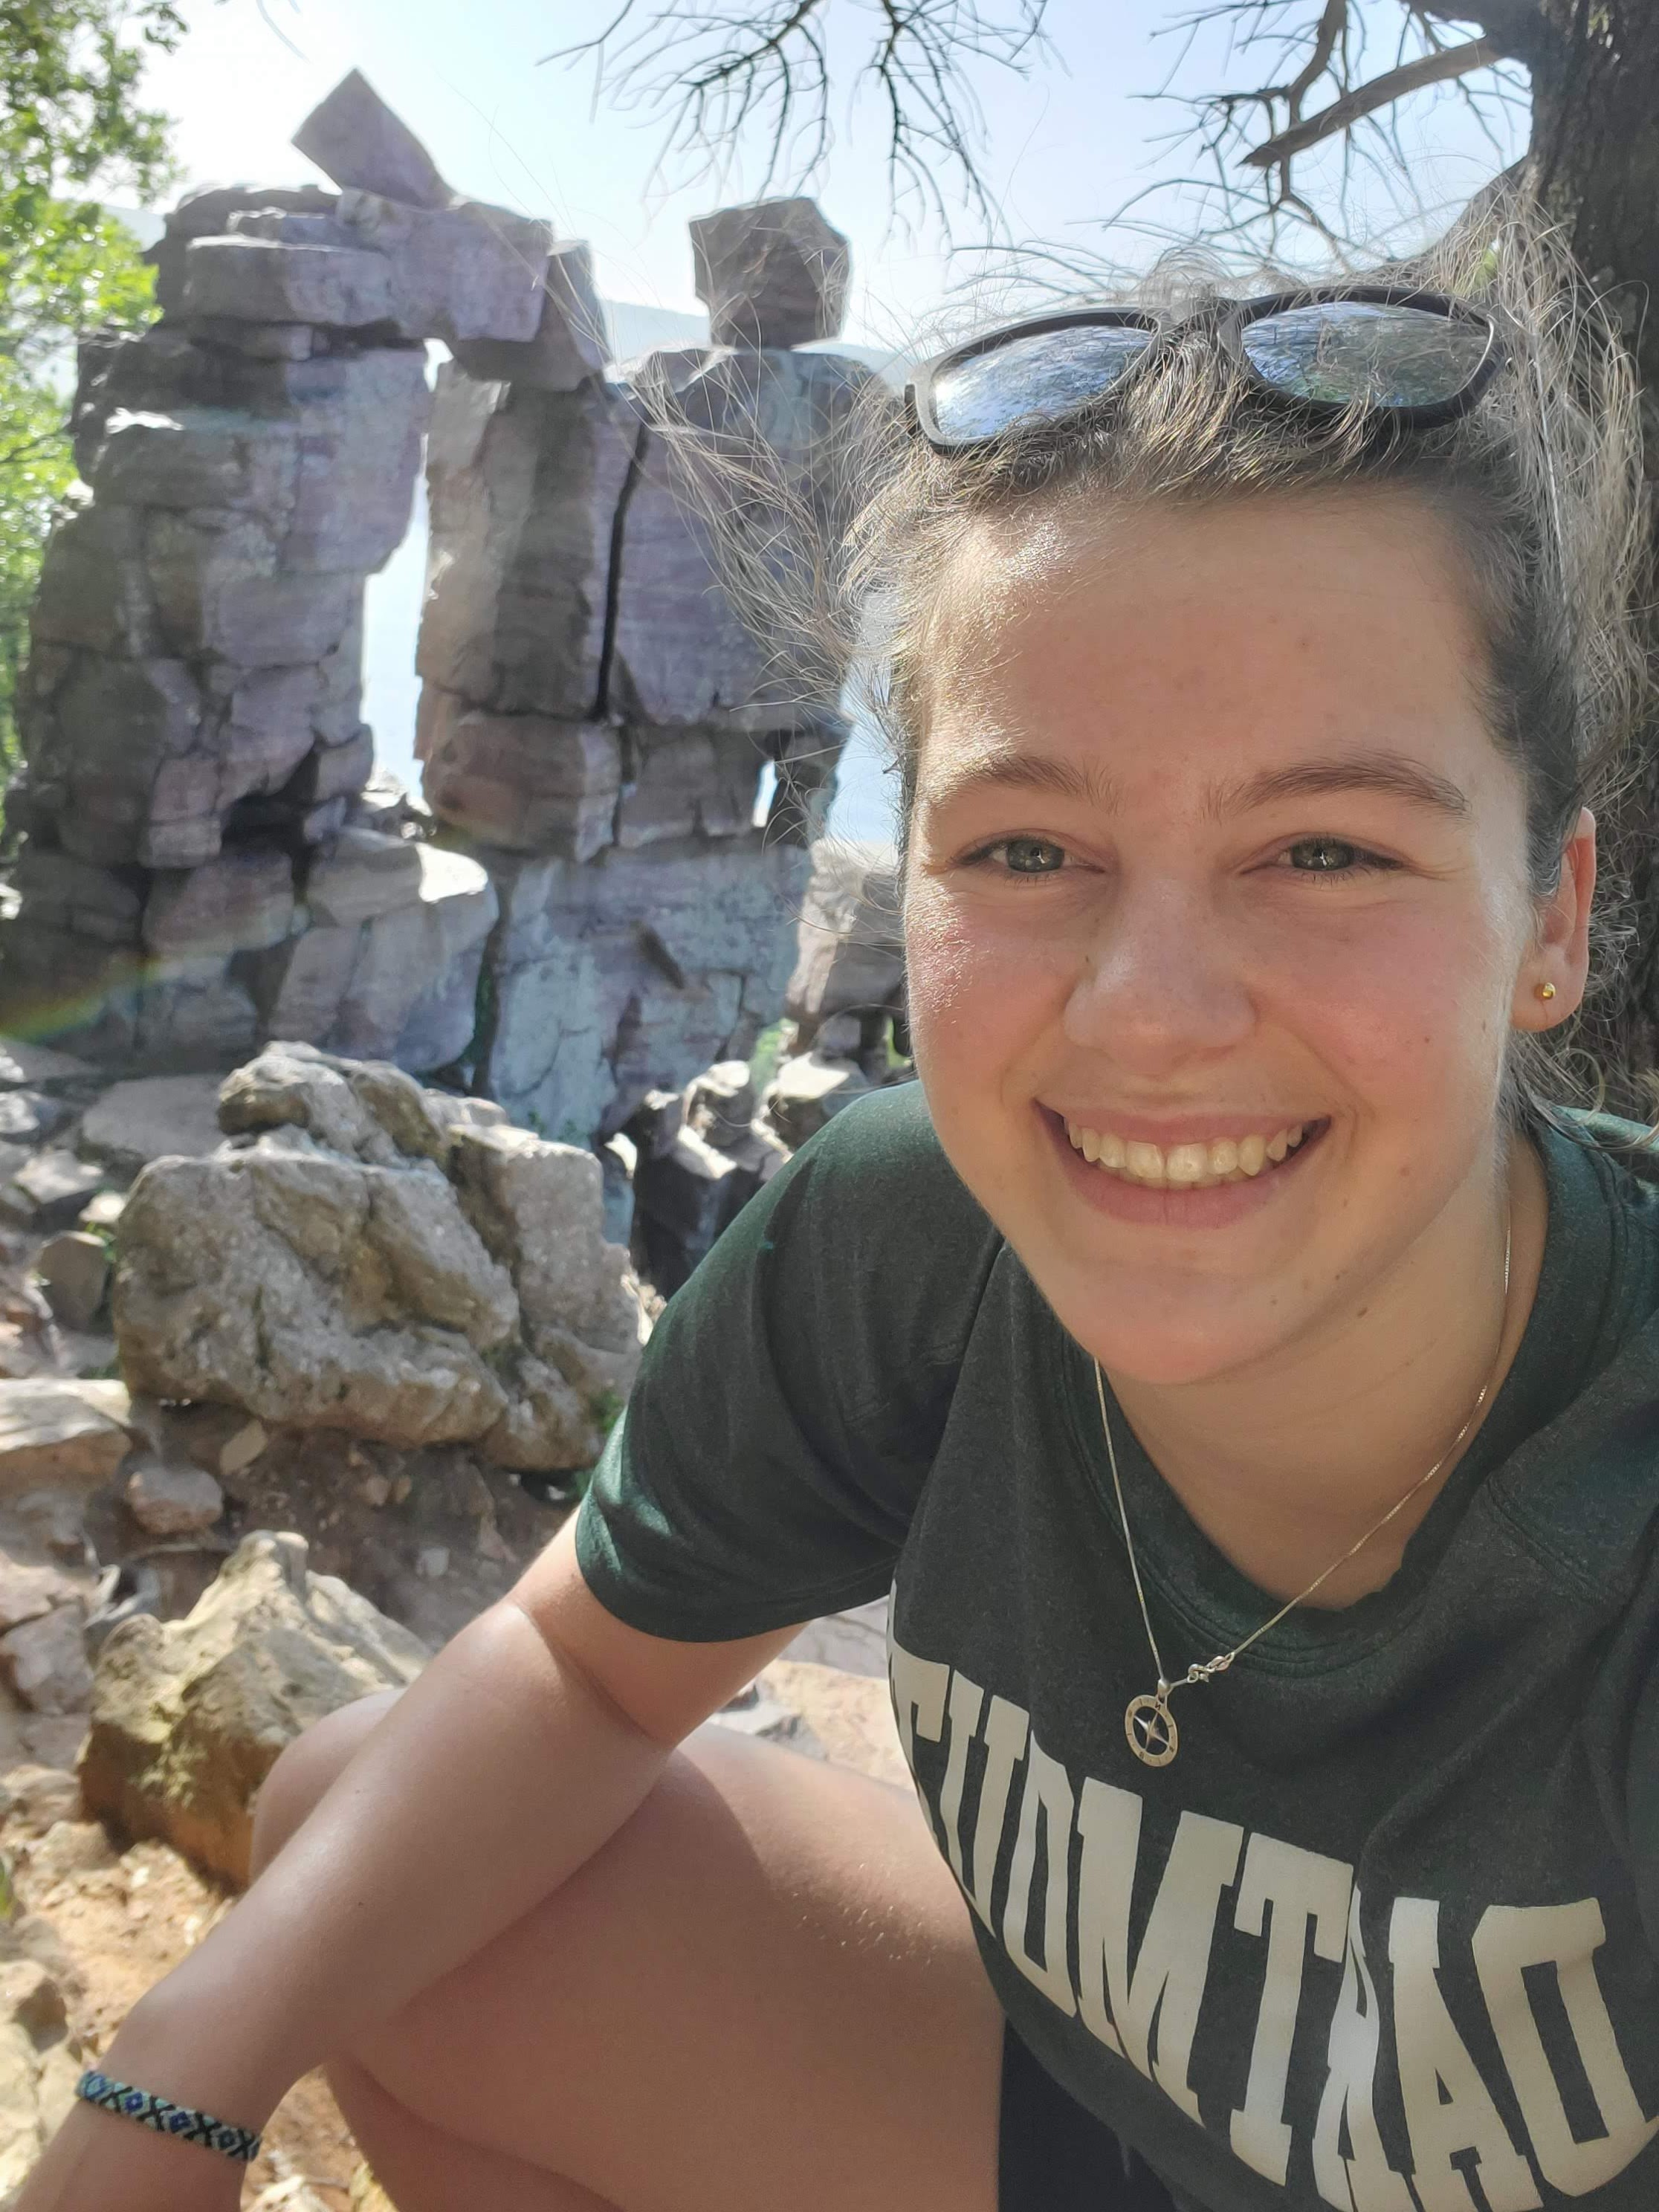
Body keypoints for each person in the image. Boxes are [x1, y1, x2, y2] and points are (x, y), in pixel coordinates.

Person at [22, 204, 1659, 2212]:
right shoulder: (917, 1228)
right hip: (1101, 2120)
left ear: (1551, 919)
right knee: (369, 1835)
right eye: (1027, 844)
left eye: (1324, 847)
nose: (1147, 1017)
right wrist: (170, 2087)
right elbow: (582, 1675)